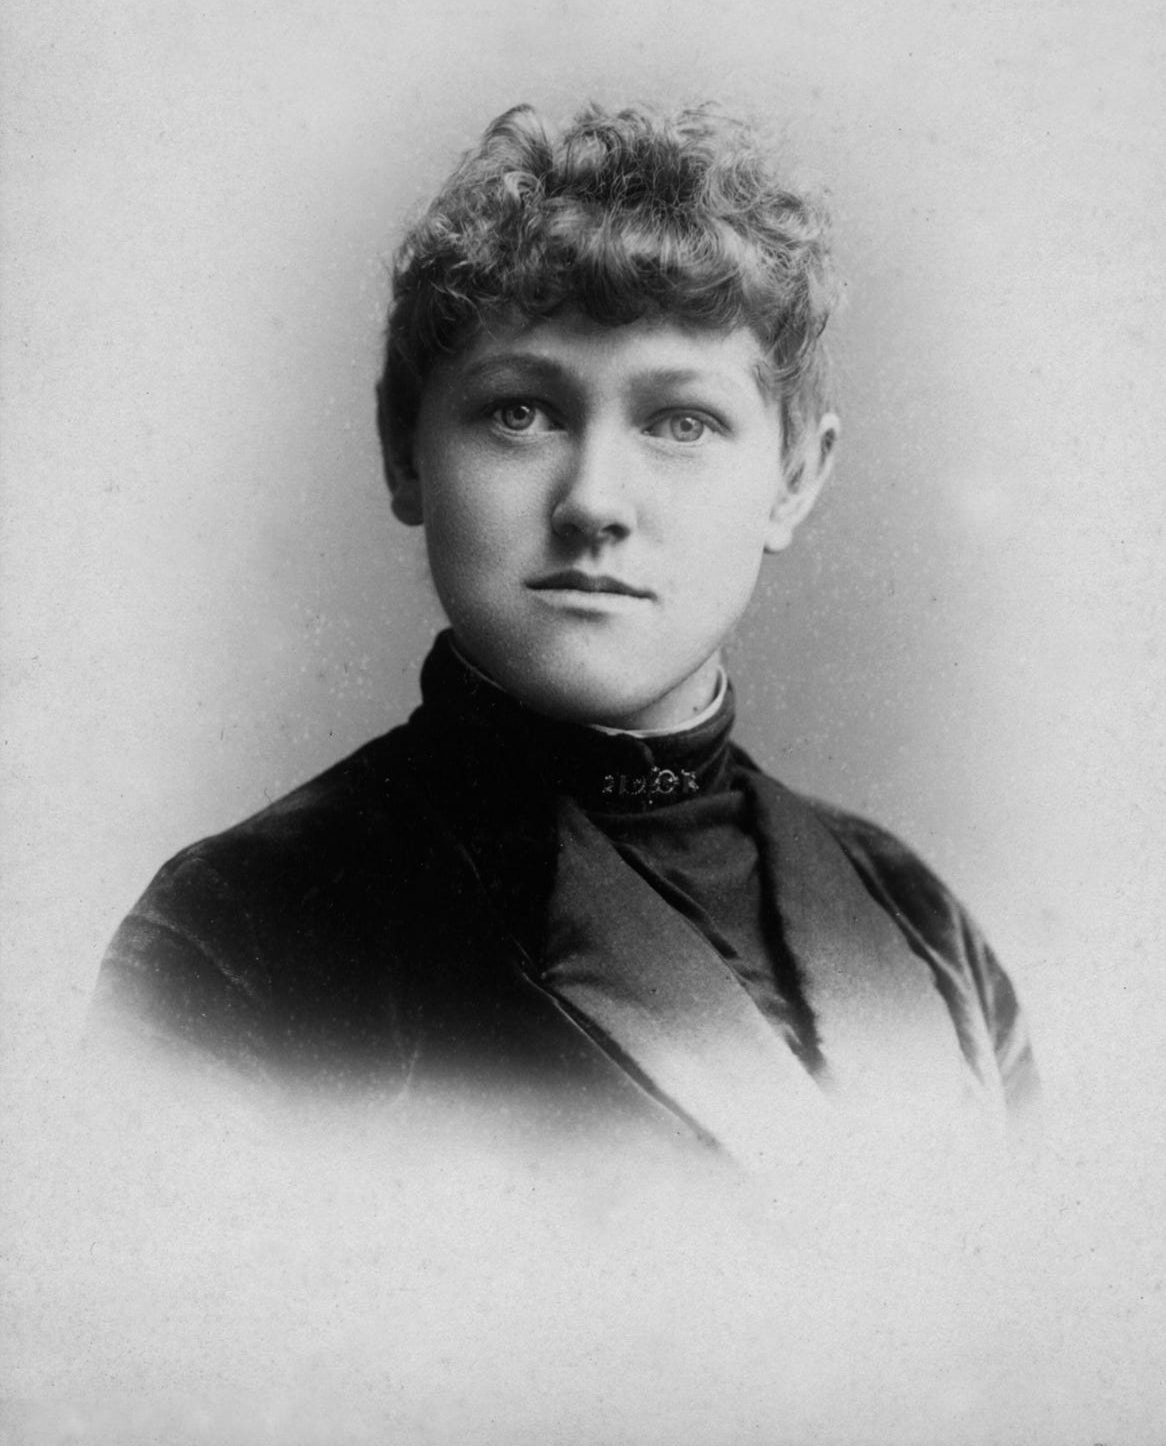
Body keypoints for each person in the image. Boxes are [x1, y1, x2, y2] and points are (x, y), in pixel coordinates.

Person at [92, 101, 1037, 1166]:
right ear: (404, 449)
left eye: (681, 422)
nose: (594, 502)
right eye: (520, 413)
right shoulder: (244, 934)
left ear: (793, 478)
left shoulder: (920, 922)